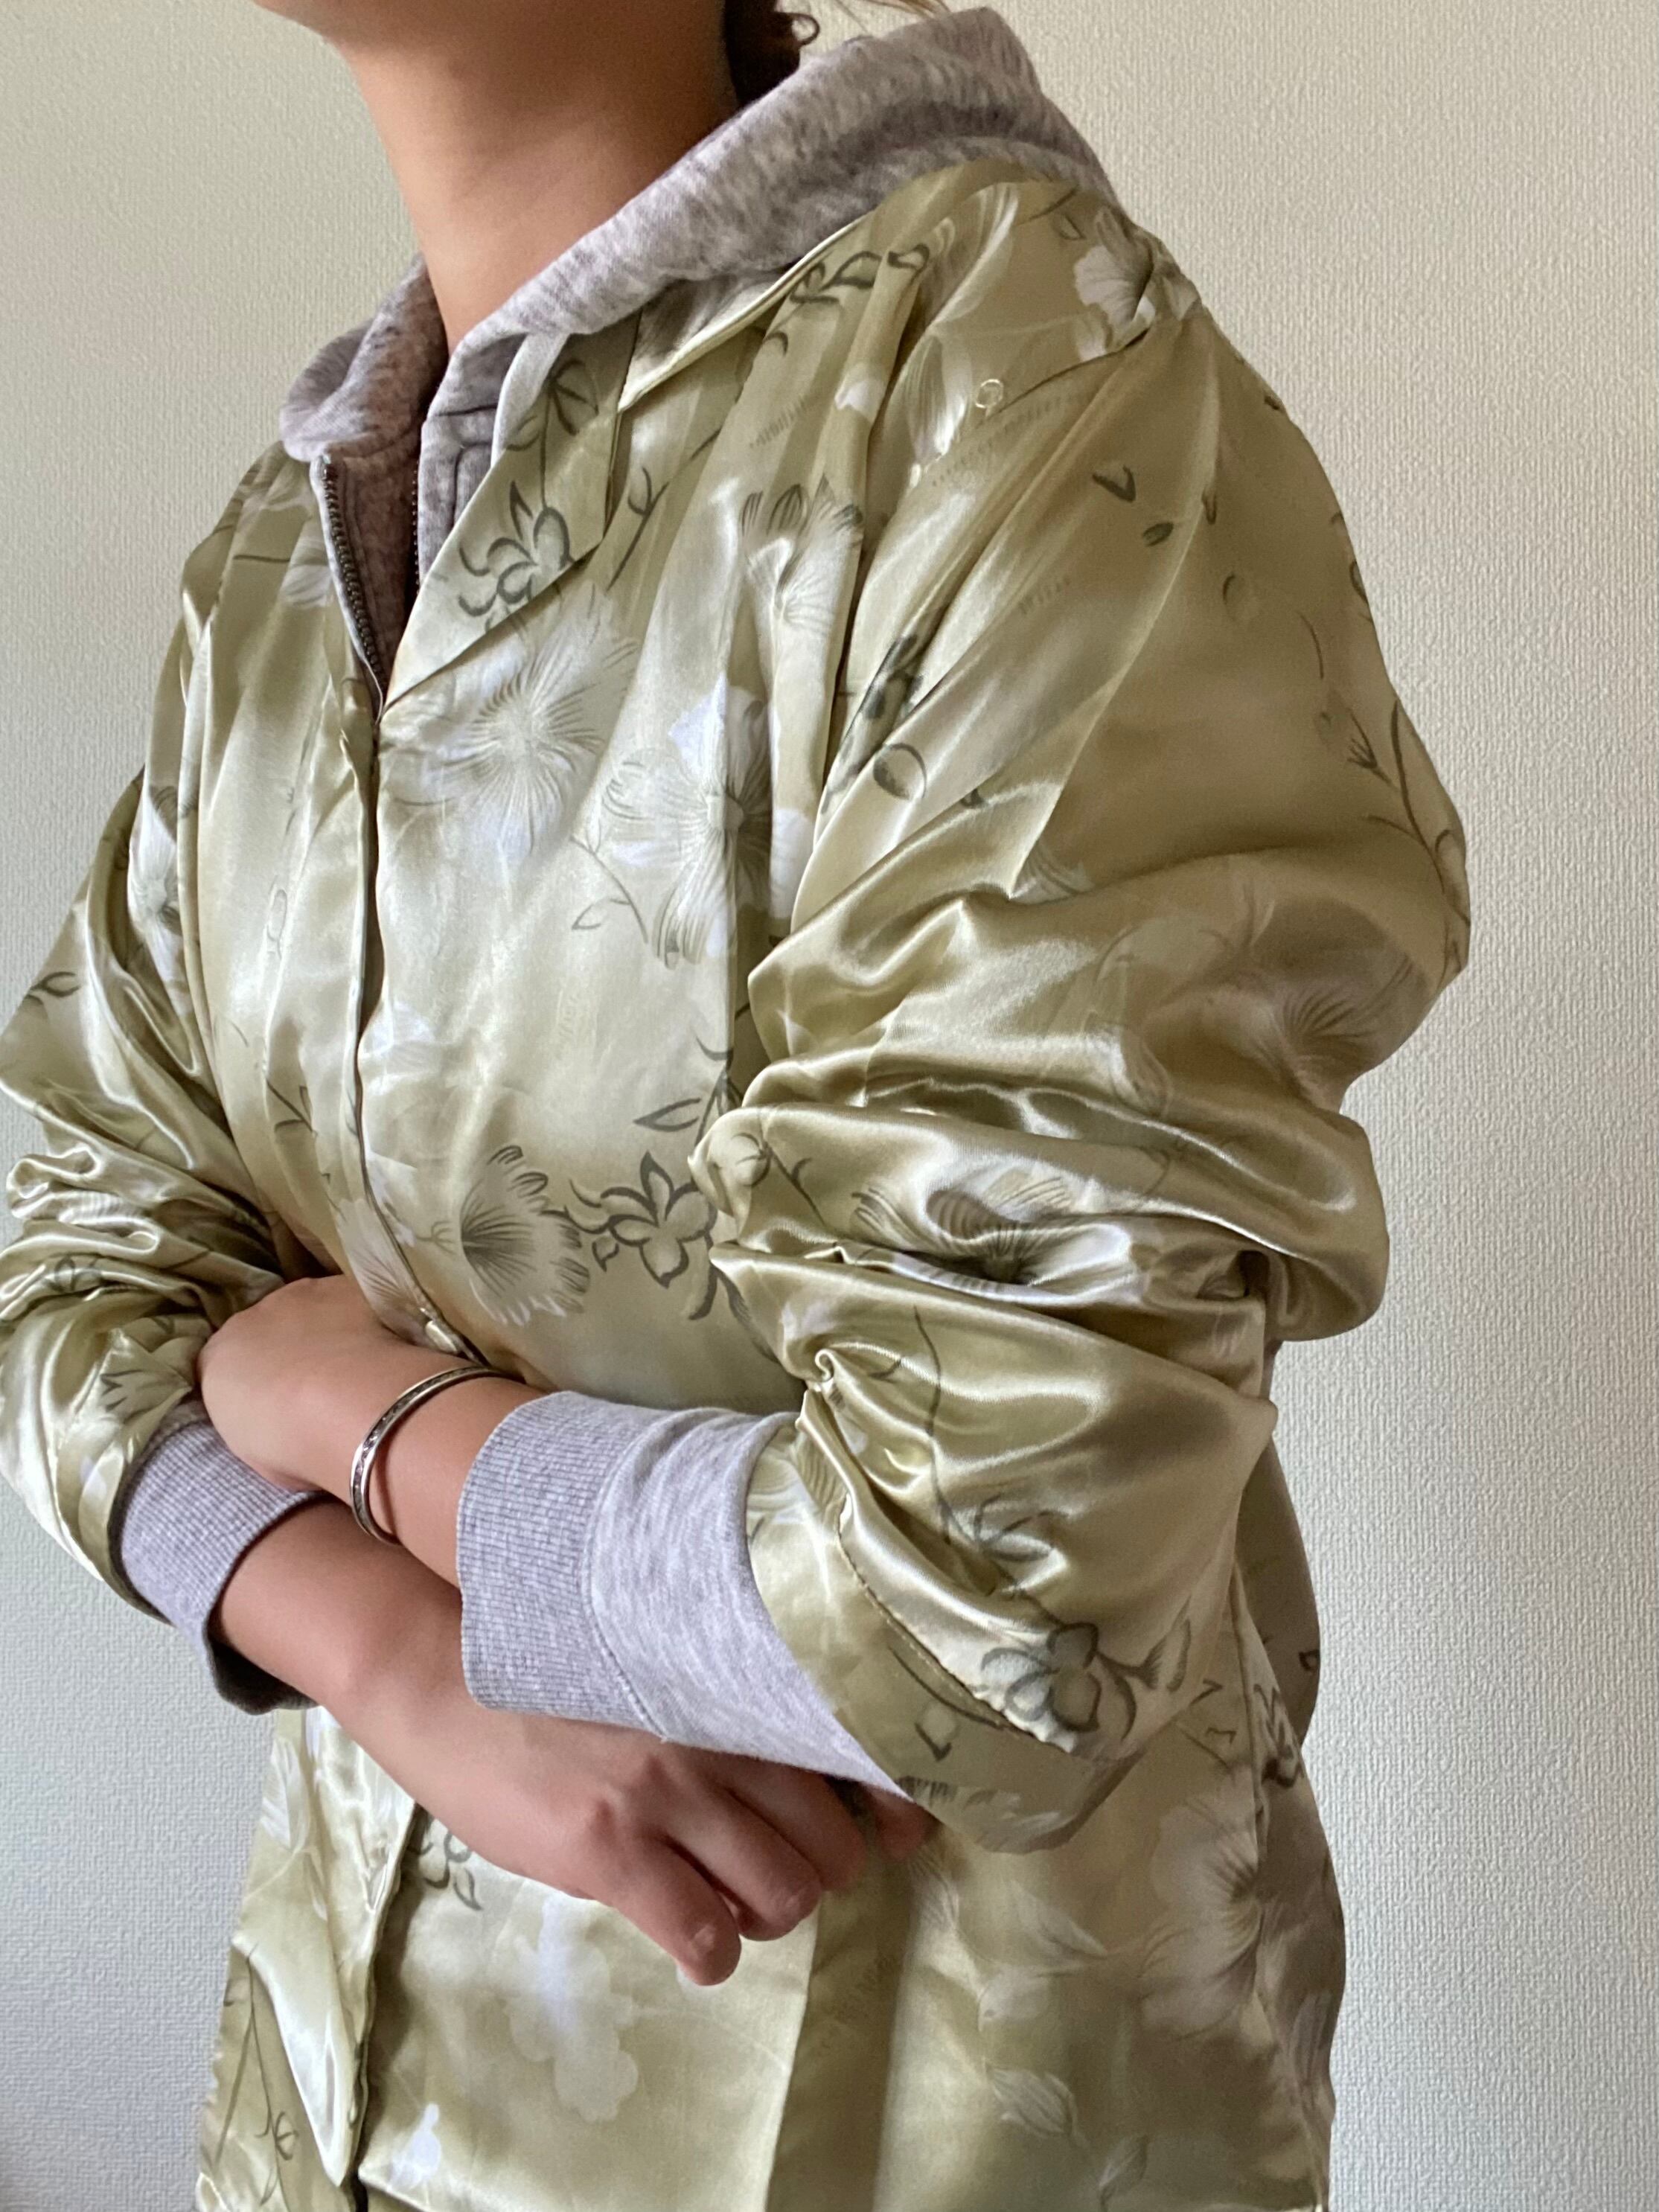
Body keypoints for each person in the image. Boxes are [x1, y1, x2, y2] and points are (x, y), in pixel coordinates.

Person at [0, 1, 1470, 2205]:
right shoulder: (278, 576)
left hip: (930, 2114)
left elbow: (995, 1589)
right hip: (327, 2100)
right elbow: (70, 1270)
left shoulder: (1018, 392)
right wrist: (399, 1663)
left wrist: (341, 1407)